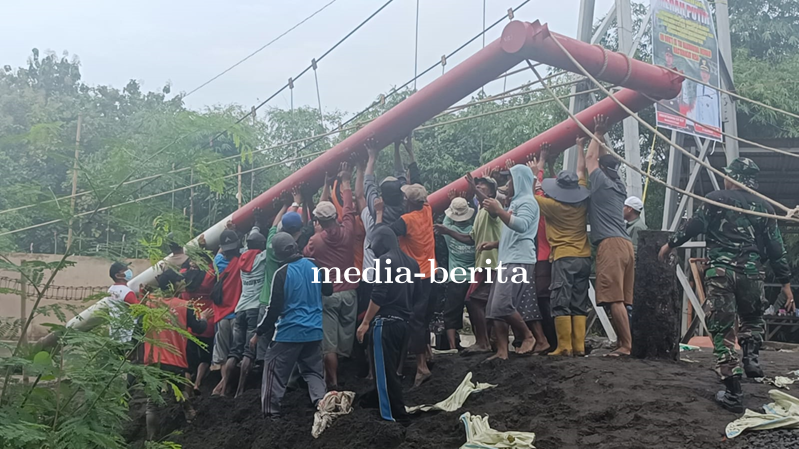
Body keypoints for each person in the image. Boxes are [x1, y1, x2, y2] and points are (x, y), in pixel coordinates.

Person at [659, 157, 794, 413]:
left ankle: (733, 392)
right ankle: (751, 359)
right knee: (752, 318)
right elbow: (777, 249)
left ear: (733, 178)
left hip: (721, 272)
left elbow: (694, 225)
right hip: (752, 273)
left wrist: (671, 244)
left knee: (722, 330)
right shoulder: (764, 207)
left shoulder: (716, 199)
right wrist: (785, 284)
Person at [252, 232, 333, 416]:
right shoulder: (315, 265)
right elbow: (328, 290)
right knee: (313, 372)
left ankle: (271, 414)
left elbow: (273, 309)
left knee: (273, 369)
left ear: (277, 253)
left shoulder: (281, 273)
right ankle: (322, 404)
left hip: (289, 332)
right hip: (314, 331)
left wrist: (258, 332)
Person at [480, 163, 549, 360]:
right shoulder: (515, 203)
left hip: (519, 260)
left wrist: (499, 211)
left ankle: (528, 336)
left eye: (510, 179)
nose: (508, 184)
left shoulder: (528, 202)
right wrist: (495, 244)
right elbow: (513, 233)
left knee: (502, 304)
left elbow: (522, 226)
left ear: (519, 181)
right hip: (508, 259)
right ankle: (502, 351)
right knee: (494, 309)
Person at [533, 141, 593, 357]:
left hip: (563, 256)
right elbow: (581, 170)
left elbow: (531, 194)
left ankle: (564, 346)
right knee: (578, 302)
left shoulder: (553, 206)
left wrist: (537, 169)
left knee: (560, 301)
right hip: (584, 257)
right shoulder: (583, 202)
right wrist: (579, 146)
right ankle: (579, 347)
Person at [356, 225, 421, 421]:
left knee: (384, 373)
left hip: (384, 324)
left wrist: (365, 322)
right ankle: (375, 401)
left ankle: (394, 417)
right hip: (403, 324)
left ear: (380, 243)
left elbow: (378, 294)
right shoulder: (412, 263)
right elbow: (417, 294)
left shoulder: (384, 261)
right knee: (390, 370)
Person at [303, 163, 358, 389]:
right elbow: (349, 209)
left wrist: (325, 185)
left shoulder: (316, 241)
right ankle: (343, 373)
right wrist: (345, 181)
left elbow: (306, 255)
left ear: (318, 221)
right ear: (335, 216)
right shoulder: (348, 231)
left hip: (329, 295)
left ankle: (332, 381)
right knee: (345, 339)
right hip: (350, 293)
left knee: (329, 345)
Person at [585, 115, 635, 357]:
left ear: (602, 169)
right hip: (625, 245)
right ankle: (623, 342)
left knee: (614, 299)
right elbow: (601, 159)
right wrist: (601, 137)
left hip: (610, 245)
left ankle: (626, 345)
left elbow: (590, 159)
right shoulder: (619, 186)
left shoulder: (601, 182)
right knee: (621, 299)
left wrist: (596, 133)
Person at [437, 173, 501, 355]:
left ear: (492, 193)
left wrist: (473, 188)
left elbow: (488, 202)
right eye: (477, 184)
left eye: (483, 185)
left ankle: (485, 342)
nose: (479, 186)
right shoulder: (480, 214)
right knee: (482, 303)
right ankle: (487, 341)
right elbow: (470, 239)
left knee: (477, 301)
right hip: (481, 266)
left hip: (491, 264)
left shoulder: (493, 208)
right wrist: (448, 231)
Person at [143, 275, 213, 440]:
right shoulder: (184, 305)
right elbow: (198, 328)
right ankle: (192, 425)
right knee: (181, 394)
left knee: (152, 404)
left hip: (153, 360)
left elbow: (139, 328)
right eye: (180, 281)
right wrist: (204, 318)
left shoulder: (150, 303)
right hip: (175, 360)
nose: (184, 283)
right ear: (172, 284)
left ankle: (151, 440)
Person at [382, 183, 437, 386]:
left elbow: (386, 234)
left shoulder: (406, 220)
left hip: (416, 276)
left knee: (414, 320)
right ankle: (428, 354)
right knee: (423, 318)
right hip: (431, 273)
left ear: (409, 201)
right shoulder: (427, 210)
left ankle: (421, 367)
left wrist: (378, 215)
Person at [216, 224, 268, 398]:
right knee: (248, 352)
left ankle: (224, 389)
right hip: (254, 309)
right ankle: (240, 390)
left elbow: (247, 245)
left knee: (234, 352)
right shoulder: (262, 258)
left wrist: (255, 226)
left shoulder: (241, 258)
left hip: (240, 309)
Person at [257, 190, 306, 364]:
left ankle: (263, 374)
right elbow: (300, 228)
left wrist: (288, 204)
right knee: (284, 349)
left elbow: (274, 225)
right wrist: (299, 202)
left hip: (265, 302)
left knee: (264, 349)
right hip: (286, 306)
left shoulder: (271, 244)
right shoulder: (295, 250)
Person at [437, 195, 476, 350]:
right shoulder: (475, 230)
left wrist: (451, 200)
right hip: (474, 278)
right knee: (476, 312)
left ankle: (453, 346)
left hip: (456, 279)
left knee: (451, 312)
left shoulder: (448, 230)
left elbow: (446, 220)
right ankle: (481, 340)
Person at [209, 227, 244, 395]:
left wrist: (225, 233)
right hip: (237, 314)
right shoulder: (241, 261)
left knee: (222, 355)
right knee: (235, 353)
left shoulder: (217, 263)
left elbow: (219, 252)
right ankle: (227, 384)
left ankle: (223, 387)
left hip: (221, 316)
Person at [181, 257, 216, 392]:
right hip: (208, 320)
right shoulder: (208, 278)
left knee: (191, 359)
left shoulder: (184, 279)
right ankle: (198, 383)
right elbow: (213, 268)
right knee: (205, 358)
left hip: (191, 322)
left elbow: (182, 269)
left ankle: (188, 386)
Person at [107, 261, 140, 344]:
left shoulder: (110, 290)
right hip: (128, 335)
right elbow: (139, 310)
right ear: (118, 275)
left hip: (115, 333)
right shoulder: (127, 292)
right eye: (125, 270)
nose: (128, 271)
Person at [688, 59, 720, 129]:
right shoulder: (698, 87)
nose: (704, 75)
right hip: (700, 126)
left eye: (706, 73)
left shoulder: (713, 91)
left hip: (710, 126)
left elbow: (715, 112)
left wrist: (716, 129)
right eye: (702, 72)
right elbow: (698, 108)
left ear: (709, 75)